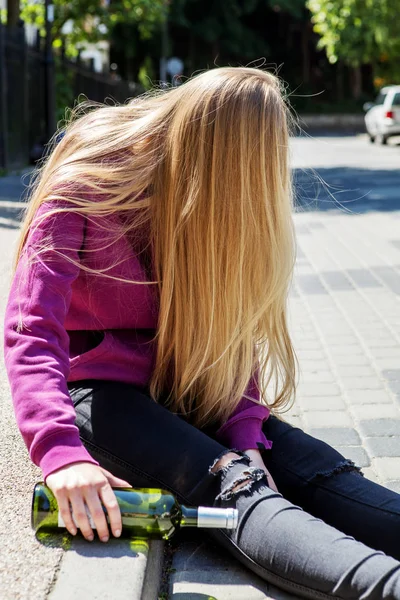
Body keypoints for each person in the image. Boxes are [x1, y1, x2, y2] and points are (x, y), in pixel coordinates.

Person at [4, 66, 400, 600]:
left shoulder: (211, 207)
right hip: (98, 395)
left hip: (187, 382)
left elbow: (227, 328)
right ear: (201, 157)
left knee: (313, 469)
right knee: (237, 486)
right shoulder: (87, 184)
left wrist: (247, 433)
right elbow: (32, 328)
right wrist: (61, 454)